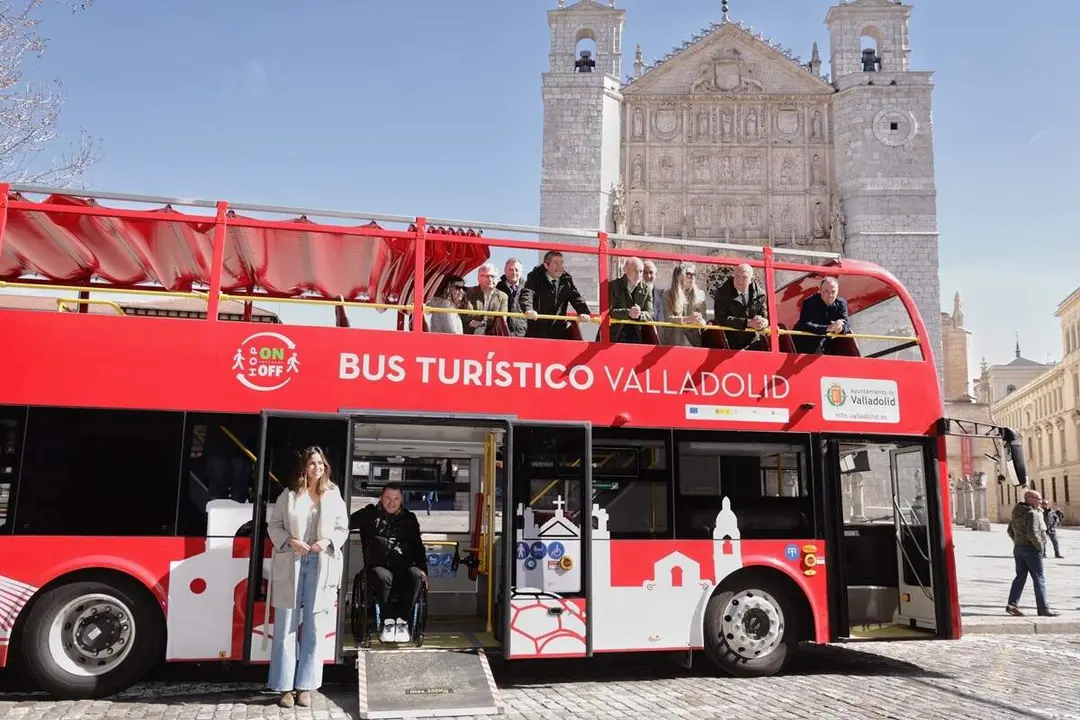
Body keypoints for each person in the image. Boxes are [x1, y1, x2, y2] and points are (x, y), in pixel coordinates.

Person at [265, 447, 350, 708]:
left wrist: (327, 541)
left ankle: (306, 687)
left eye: (321, 463)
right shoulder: (289, 495)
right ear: (304, 468)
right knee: (285, 627)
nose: (318, 468)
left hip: (321, 563)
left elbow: (342, 528)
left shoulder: (334, 495)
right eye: (313, 464)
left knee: (314, 627)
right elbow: (274, 525)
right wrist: (290, 541)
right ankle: (284, 688)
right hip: (292, 561)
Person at [351, 483, 429, 643]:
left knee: (416, 575)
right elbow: (344, 523)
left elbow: (417, 546)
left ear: (401, 500)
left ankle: (401, 622)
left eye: (396, 498)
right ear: (381, 497)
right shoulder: (369, 514)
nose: (391, 502)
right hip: (377, 565)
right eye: (388, 498)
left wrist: (423, 570)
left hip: (403, 564)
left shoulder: (409, 518)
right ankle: (387, 622)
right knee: (383, 577)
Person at [1005, 488, 1060, 617]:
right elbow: (1033, 533)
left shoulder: (1016, 511)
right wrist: (1040, 547)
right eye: (1038, 499)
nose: (1040, 502)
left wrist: (1017, 541)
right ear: (1029, 499)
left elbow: (1009, 530)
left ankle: (1012, 605)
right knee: (1039, 579)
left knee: (1020, 577)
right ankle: (1043, 608)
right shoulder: (1032, 514)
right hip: (1031, 549)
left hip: (1019, 548)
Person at [712, 263, 768, 350]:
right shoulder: (722, 293)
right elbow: (720, 318)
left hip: (752, 343)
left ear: (751, 279)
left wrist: (763, 322)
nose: (739, 281)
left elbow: (765, 316)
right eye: (737, 276)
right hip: (728, 344)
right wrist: (747, 323)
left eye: (744, 277)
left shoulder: (761, 294)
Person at [793, 277, 851, 354]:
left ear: (837, 292)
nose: (830, 295)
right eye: (826, 291)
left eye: (833, 292)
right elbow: (805, 325)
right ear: (820, 291)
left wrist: (839, 328)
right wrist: (828, 328)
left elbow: (846, 323)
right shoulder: (809, 302)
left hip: (826, 342)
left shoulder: (841, 303)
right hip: (805, 342)